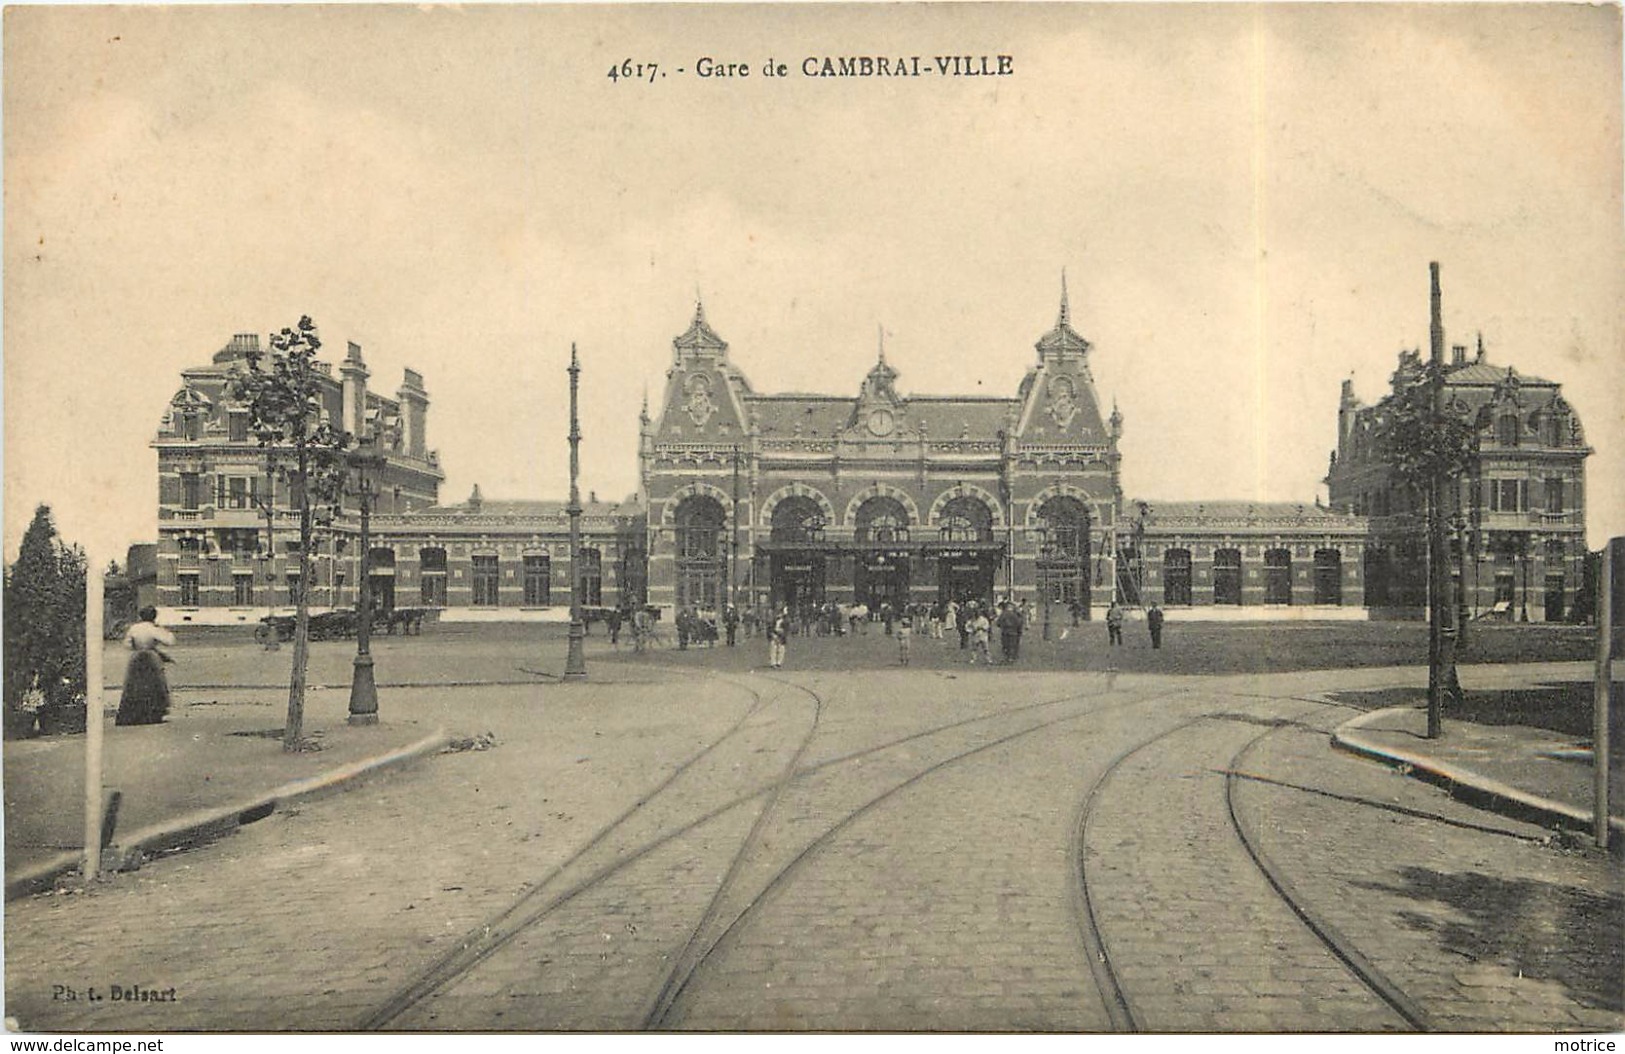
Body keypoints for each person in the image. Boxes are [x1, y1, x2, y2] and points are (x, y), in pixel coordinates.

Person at [116, 607, 175, 726]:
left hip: (136, 657)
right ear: (153, 617)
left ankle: (134, 713)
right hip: (151, 657)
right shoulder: (153, 629)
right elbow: (170, 641)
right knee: (154, 683)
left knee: (134, 684)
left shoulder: (134, 628)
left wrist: (136, 646)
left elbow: (127, 644)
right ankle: (153, 713)